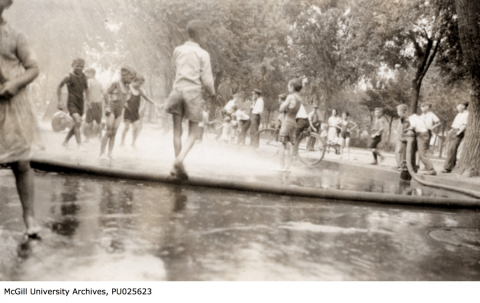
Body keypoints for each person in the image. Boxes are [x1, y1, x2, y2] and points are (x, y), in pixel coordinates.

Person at [0, 0, 42, 237]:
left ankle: (29, 217)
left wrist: (15, 83)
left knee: (22, 163)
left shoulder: (15, 35)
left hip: (12, 105)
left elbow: (33, 68)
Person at [165, 20, 215, 180]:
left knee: (177, 131)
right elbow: (207, 81)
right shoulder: (203, 54)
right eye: (206, 36)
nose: (207, 39)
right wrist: (212, 93)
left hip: (177, 91)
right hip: (193, 94)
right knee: (193, 133)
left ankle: (176, 169)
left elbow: (179, 69)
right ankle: (178, 162)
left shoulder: (178, 50)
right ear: (201, 35)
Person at [100, 66, 136, 159]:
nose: (132, 81)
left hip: (119, 112)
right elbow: (105, 93)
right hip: (111, 109)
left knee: (114, 133)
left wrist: (125, 105)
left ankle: (110, 153)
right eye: (131, 78)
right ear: (124, 75)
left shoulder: (127, 87)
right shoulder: (116, 83)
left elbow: (123, 98)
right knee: (108, 132)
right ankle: (101, 153)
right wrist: (107, 106)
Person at [121, 74, 159, 149]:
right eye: (139, 83)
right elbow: (123, 98)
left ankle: (133, 143)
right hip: (128, 111)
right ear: (134, 81)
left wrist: (154, 102)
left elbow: (146, 97)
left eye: (141, 84)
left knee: (136, 128)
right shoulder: (129, 88)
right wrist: (124, 103)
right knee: (127, 127)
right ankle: (122, 142)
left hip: (135, 112)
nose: (140, 85)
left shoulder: (140, 90)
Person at [57, 58, 88, 149]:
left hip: (80, 102)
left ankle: (65, 142)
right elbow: (59, 87)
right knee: (78, 121)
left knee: (77, 124)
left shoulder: (83, 76)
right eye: (77, 66)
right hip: (72, 102)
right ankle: (80, 145)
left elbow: (86, 88)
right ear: (72, 65)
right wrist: (59, 101)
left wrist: (88, 100)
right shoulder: (68, 76)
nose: (79, 68)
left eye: (81, 66)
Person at [399, 105, 436, 175]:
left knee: (422, 153)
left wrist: (407, 129)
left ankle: (431, 169)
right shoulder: (415, 116)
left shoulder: (411, 118)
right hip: (422, 134)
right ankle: (413, 168)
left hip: (422, 135)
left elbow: (413, 125)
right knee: (413, 150)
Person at [276, 78, 303, 172]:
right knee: (290, 144)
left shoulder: (290, 97)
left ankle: (280, 166)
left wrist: (283, 104)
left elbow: (281, 109)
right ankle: (288, 167)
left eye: (288, 86)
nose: (288, 88)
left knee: (282, 143)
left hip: (286, 122)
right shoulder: (299, 99)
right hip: (294, 123)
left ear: (292, 87)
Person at [442, 101, 469, 173]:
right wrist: (450, 131)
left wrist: (458, 132)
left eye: (458, 105)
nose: (457, 107)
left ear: (463, 106)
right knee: (450, 149)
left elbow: (464, 125)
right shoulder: (459, 114)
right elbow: (455, 124)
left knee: (452, 149)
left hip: (458, 132)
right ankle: (452, 166)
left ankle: (447, 167)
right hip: (453, 131)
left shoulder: (467, 114)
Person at [83, 67, 105, 142]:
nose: (86, 74)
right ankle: (100, 137)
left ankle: (87, 138)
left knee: (89, 121)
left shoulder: (89, 81)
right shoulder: (99, 82)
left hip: (91, 103)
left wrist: (87, 100)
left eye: (87, 73)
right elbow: (104, 92)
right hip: (99, 104)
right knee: (99, 121)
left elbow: (87, 91)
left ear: (91, 73)